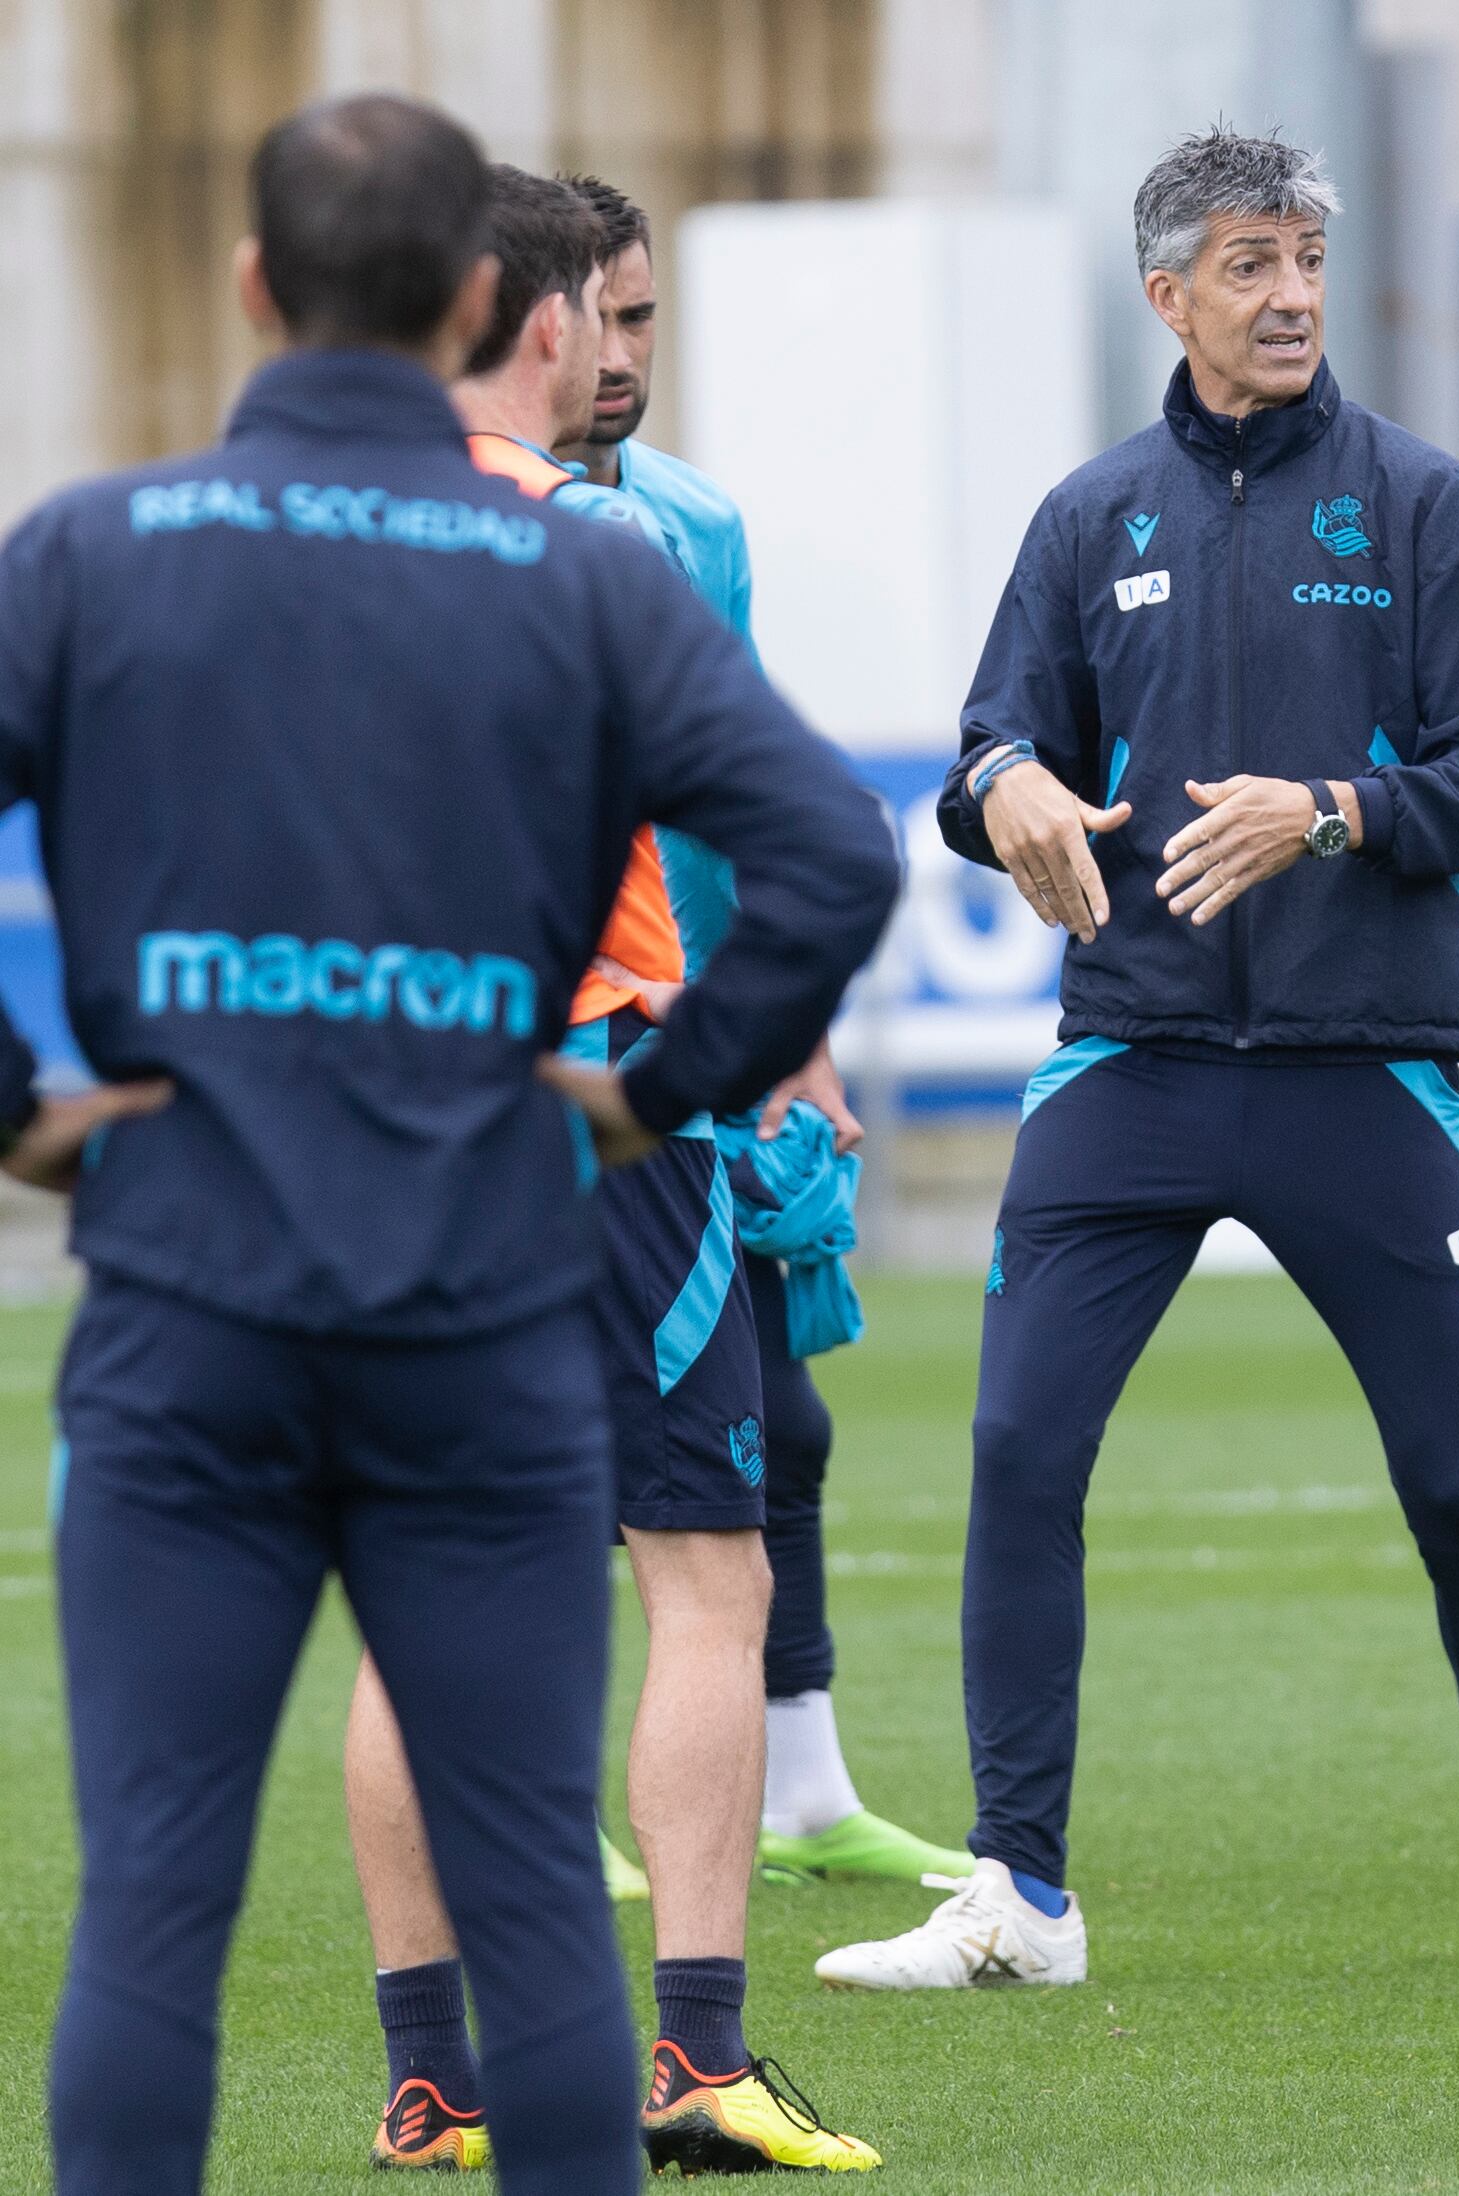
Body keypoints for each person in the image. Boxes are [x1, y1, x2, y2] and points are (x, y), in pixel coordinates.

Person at [17, 92, 897, 2196]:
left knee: (151, 1898)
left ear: (249, 285)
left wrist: (34, 1127)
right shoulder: (574, 561)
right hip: (475, 1279)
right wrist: (655, 1095)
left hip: (187, 1282)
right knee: (534, 1895)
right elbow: (823, 861)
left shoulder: (91, 544)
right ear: (495, 304)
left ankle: (410, 2082)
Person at [816, 125, 1459, 1993]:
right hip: (1126, 1061)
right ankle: (1018, 1896)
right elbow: (987, 755)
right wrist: (1007, 784)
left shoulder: (1423, 499)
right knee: (1022, 1451)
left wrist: (1339, 815)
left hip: (1363, 1071)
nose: (1290, 295)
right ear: (1169, 293)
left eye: (1306, 258)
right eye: (1250, 264)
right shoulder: (1086, 515)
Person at [342, 167, 884, 2174]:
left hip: (376, 1121)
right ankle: (697, 2058)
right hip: (594, 1100)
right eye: (602, 311)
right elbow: (781, 835)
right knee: (706, 1578)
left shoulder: (301, 540)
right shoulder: (604, 543)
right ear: (542, 318)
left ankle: (429, 2077)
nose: (617, 349)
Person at [556, 169, 972, 1892]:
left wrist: (784, 1035)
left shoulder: (691, 522)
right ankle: (541, 1814)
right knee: (550, 1452)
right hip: (553, 1047)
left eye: (648, 319)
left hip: (695, 1045)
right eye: (602, 322)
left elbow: (720, 795)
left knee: (774, 1423)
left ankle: (802, 1781)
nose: (625, 357)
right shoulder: (465, 521)